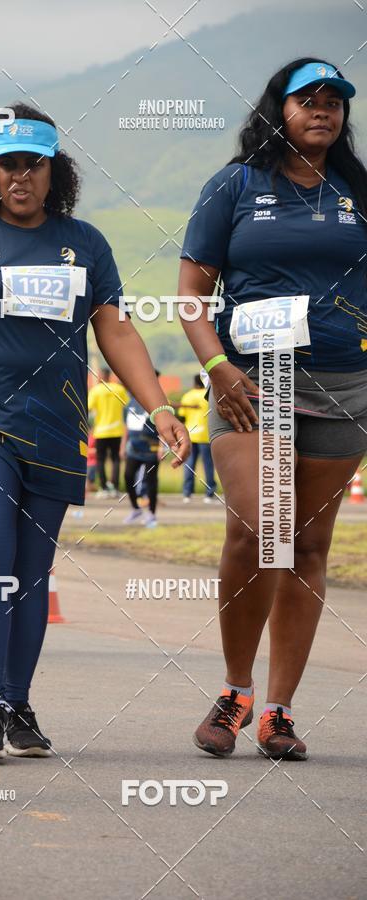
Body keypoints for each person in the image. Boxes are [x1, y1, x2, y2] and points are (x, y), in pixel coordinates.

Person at [0, 103, 190, 762]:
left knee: (30, 571)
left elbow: (117, 329)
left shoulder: (86, 242)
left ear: (55, 171)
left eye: (33, 164)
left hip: (56, 426)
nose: (20, 176)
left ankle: (18, 704)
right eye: (7, 164)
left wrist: (161, 407)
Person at [178, 58, 367, 760]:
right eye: (307, 100)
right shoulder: (235, 184)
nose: (322, 110)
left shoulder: (359, 189)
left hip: (344, 386)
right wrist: (216, 366)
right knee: (261, 529)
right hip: (252, 382)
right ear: (277, 109)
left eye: (334, 102)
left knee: (310, 546)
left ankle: (279, 710)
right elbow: (191, 295)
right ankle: (235, 690)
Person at [121, 370, 161, 527]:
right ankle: (136, 508)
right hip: (133, 448)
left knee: (151, 481)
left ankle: (152, 514)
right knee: (128, 476)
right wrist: (123, 445)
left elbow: (161, 425)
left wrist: (162, 448)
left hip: (151, 448)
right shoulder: (129, 404)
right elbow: (126, 427)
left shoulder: (156, 401)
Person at [88, 368, 129, 497]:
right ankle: (115, 488)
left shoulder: (96, 391)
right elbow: (126, 405)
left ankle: (104, 488)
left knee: (100, 460)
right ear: (109, 376)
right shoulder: (119, 389)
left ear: (100, 376)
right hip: (117, 430)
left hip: (101, 431)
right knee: (116, 459)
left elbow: (88, 408)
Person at [178, 374, 216, 503]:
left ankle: (187, 494)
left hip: (190, 435)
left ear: (194, 383)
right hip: (205, 435)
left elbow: (182, 418)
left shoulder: (187, 396)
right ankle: (209, 494)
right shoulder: (209, 394)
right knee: (208, 465)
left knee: (189, 465)